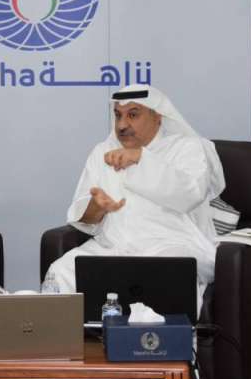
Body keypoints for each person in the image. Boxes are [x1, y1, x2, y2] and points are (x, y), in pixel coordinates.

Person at [45, 84, 225, 303]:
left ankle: (158, 327)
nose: (122, 125)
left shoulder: (187, 148)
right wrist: (97, 207)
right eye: (117, 115)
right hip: (113, 248)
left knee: (166, 270)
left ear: (157, 116)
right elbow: (86, 219)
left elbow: (190, 195)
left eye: (132, 115)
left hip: (170, 246)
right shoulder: (102, 152)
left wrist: (140, 157)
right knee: (61, 271)